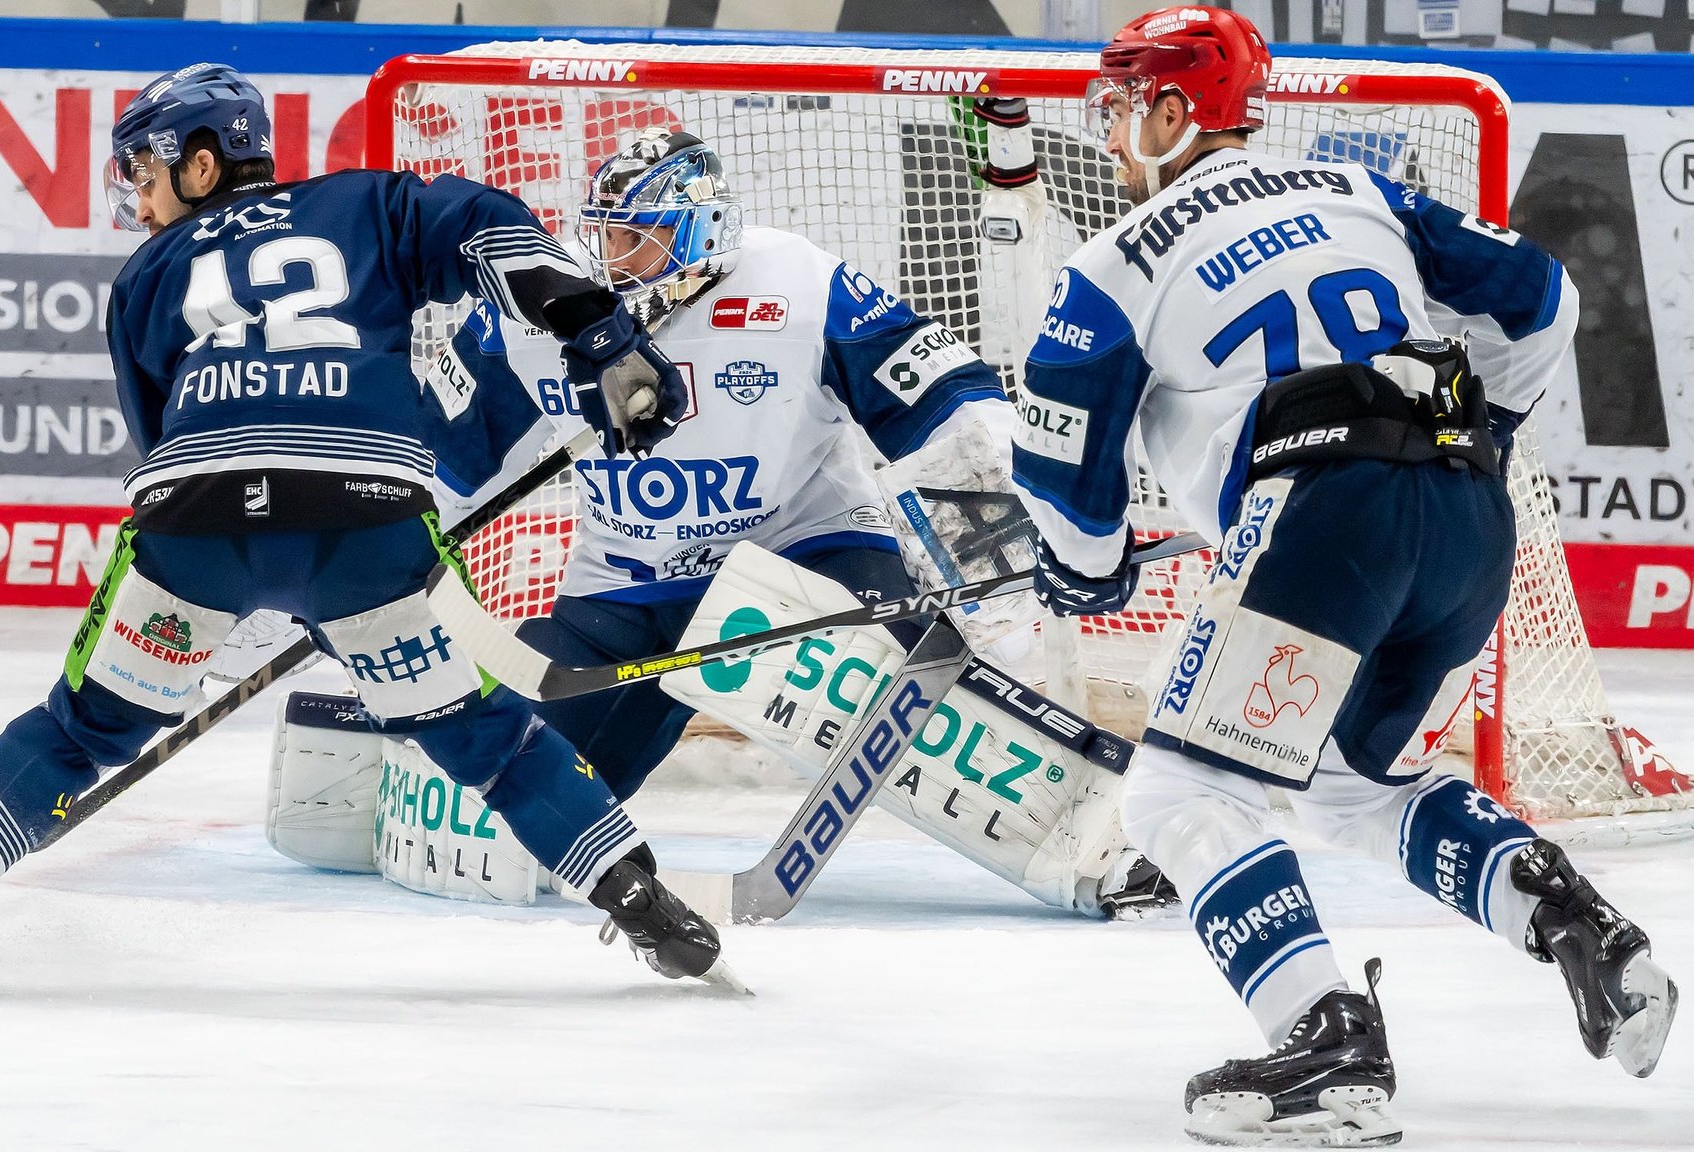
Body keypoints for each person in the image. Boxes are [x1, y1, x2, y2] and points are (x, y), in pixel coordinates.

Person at [0, 63, 731, 988]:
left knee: (82, 729)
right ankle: (642, 902)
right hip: (365, 529)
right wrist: (599, 335)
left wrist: (245, 577)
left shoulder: (147, 276)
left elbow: (165, 445)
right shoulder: (373, 203)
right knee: (488, 737)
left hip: (194, 534)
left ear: (203, 166)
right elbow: (497, 228)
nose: (140, 201)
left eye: (145, 175)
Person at [1011, 8, 1675, 1144]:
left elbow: (1058, 449)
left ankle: (1324, 1037)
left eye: (1125, 106)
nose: (1112, 131)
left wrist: (1084, 575)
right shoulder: (1351, 190)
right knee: (1351, 782)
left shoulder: (1111, 262)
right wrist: (1483, 435)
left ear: (1178, 112)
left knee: (1178, 792)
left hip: (1323, 528)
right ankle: (1578, 926)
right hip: (1466, 519)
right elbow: (1543, 297)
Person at [429, 128, 1176, 916]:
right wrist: (384, 545)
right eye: (604, 233)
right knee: (503, 797)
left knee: (930, 702)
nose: (612, 259)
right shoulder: (534, 306)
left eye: (636, 237)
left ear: (701, 233)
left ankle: (1108, 844)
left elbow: (937, 392)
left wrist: (999, 472)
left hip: (805, 554)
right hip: (627, 586)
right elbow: (440, 461)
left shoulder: (799, 283)